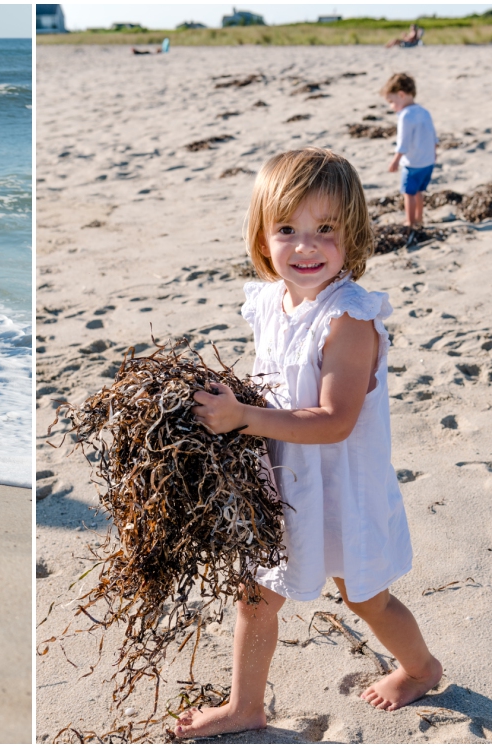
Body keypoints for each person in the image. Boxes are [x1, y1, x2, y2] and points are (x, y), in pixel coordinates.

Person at [175, 148, 442, 739]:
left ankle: (421, 668)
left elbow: (333, 421)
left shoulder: (348, 319)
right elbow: (273, 382)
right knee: (255, 596)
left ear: (353, 234)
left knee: (364, 596)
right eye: (288, 229)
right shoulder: (270, 301)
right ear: (262, 236)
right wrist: (227, 407)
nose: (305, 246)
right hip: (283, 483)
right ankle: (246, 706)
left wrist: (242, 418)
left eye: (326, 230)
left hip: (342, 487)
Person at [382, 73, 438, 231]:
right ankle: (419, 219)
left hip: (413, 163)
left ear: (401, 94)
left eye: (392, 102)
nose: (391, 107)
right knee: (419, 192)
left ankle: (410, 221)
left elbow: (403, 142)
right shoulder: (424, 111)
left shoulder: (405, 116)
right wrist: (434, 153)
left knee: (409, 194)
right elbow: (433, 136)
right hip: (428, 162)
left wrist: (396, 160)